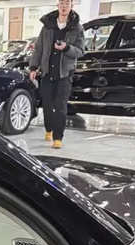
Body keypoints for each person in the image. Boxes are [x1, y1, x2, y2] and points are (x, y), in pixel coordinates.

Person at [29, 0, 85, 149]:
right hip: (47, 72)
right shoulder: (47, 26)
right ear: (57, 5)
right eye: (62, 2)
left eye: (67, 3)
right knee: (47, 104)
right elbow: (39, 49)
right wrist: (33, 67)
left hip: (64, 74)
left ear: (72, 5)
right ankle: (49, 129)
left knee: (60, 106)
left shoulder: (77, 28)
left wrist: (66, 48)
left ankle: (58, 137)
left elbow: (80, 51)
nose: (64, 6)